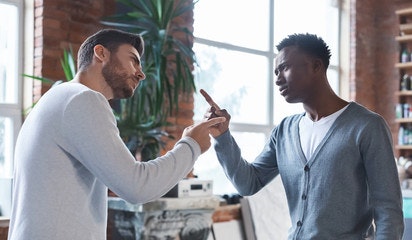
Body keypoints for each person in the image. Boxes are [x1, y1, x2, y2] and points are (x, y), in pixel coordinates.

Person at [8, 29, 225, 240]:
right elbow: (137, 186)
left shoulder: (57, 97)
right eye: (133, 59)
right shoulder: (83, 99)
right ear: (101, 53)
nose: (141, 73)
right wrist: (191, 145)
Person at [201, 33, 404, 239]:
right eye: (275, 71)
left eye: (285, 68)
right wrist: (223, 136)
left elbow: (389, 212)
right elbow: (248, 183)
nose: (278, 78)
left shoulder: (366, 126)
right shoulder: (284, 131)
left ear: (316, 66)